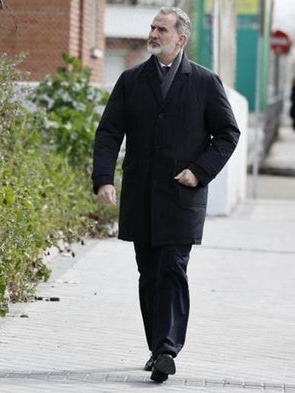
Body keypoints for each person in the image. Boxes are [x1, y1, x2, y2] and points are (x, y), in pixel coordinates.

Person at [92, 7, 240, 383]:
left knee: (173, 269)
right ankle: (157, 347)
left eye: (162, 29)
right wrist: (104, 179)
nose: (154, 34)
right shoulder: (130, 81)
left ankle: (167, 349)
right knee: (149, 273)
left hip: (181, 196)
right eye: (152, 27)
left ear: (181, 38)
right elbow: (109, 133)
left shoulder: (205, 83)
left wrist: (200, 171)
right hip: (141, 195)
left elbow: (227, 133)